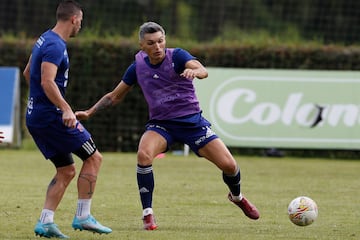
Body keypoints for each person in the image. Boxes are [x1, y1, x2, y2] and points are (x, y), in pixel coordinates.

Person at [76, 21, 260, 230]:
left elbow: (202, 70)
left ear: (165, 40)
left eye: (160, 41)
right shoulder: (137, 67)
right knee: (143, 155)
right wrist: (90, 112)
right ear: (141, 46)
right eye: (151, 43)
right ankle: (148, 214)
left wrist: (195, 72)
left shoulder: (178, 56)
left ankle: (237, 197)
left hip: (192, 123)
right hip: (161, 125)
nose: (157, 47)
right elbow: (114, 96)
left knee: (229, 166)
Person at [23, 0, 112, 238]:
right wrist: (65, 108)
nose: (80, 26)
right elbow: (46, 81)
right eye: (80, 21)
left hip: (36, 116)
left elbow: (27, 73)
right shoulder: (55, 45)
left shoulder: (43, 38)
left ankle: (46, 222)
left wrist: (41, 103)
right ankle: (83, 217)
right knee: (94, 158)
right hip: (52, 118)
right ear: (74, 19)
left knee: (67, 170)